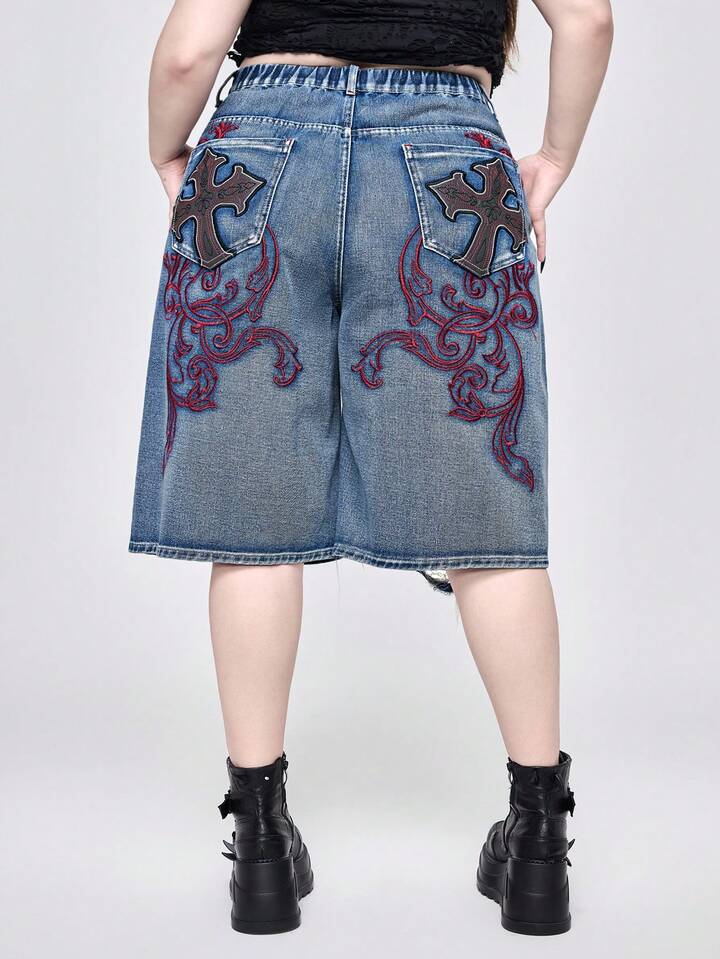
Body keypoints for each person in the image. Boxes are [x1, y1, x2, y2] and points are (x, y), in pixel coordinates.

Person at [130, 0, 613, 937]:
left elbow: (190, 52)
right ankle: (539, 846)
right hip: (450, 158)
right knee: (488, 520)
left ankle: (260, 849)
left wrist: (165, 152)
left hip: (258, 156)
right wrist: (553, 158)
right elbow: (587, 21)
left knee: (254, 522)